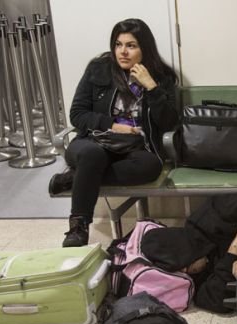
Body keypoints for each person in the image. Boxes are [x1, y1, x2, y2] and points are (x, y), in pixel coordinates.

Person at [48, 18, 179, 247]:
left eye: (131, 45)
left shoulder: (162, 77)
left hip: (136, 147)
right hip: (94, 141)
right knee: (92, 156)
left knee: (151, 167)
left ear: (145, 48)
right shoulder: (99, 69)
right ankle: (77, 228)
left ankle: (75, 178)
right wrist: (111, 124)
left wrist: (152, 87)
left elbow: (169, 123)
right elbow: (77, 114)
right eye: (118, 44)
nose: (123, 52)